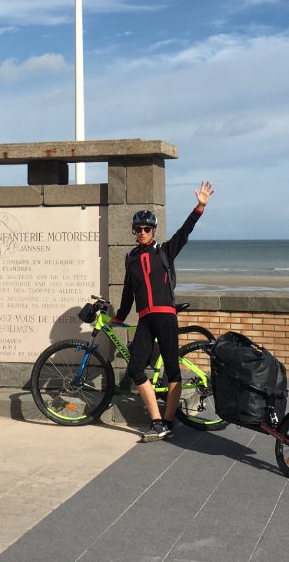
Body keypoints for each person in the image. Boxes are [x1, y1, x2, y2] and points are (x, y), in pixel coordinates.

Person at [113, 181, 214, 441]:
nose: (143, 232)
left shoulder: (165, 250)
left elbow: (185, 232)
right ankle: (157, 422)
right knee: (136, 370)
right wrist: (120, 317)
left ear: (154, 230)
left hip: (166, 316)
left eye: (147, 228)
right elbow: (127, 292)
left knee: (172, 370)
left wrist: (199, 207)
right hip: (146, 319)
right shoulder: (131, 258)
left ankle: (168, 422)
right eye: (138, 229)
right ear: (134, 231)